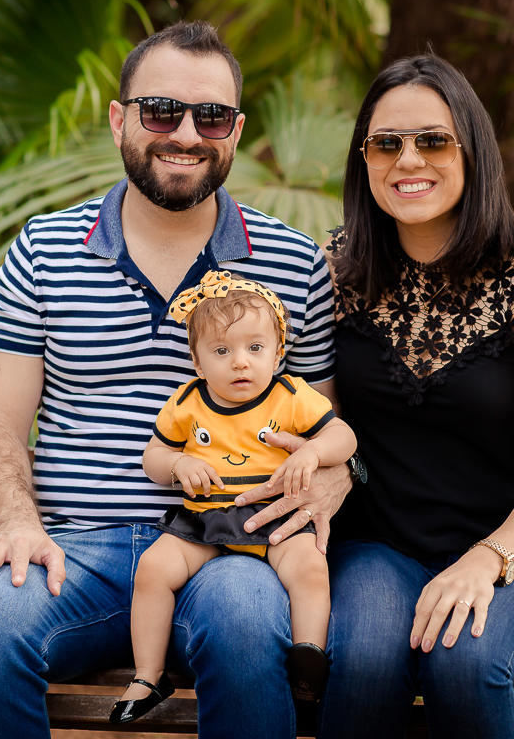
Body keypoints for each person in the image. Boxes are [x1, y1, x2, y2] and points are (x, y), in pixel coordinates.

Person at [0, 21, 351, 739]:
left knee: (249, 620)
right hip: (74, 549)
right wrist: (16, 520)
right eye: (162, 111)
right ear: (119, 118)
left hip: (231, 545)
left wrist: (326, 480)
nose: (186, 133)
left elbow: (326, 427)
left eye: (211, 116)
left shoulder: (292, 261)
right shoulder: (43, 252)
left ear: (237, 130)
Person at [235, 53, 514, 737]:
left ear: (472, 151)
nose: (408, 160)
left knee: (463, 654)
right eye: (386, 143)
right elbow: (329, 426)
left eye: (433, 140)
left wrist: (484, 563)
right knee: (364, 657)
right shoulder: (335, 271)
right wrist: (338, 464)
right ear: (363, 159)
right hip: (379, 548)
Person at [111, 271, 358, 723]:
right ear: (198, 362)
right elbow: (155, 454)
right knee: (152, 568)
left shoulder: (291, 396)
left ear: (279, 352)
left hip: (277, 519)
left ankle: (309, 661)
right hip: (205, 523)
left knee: (309, 567)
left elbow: (343, 435)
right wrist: (177, 465)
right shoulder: (188, 401)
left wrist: (317, 453)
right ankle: (148, 675)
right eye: (222, 351)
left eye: (255, 348)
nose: (240, 363)